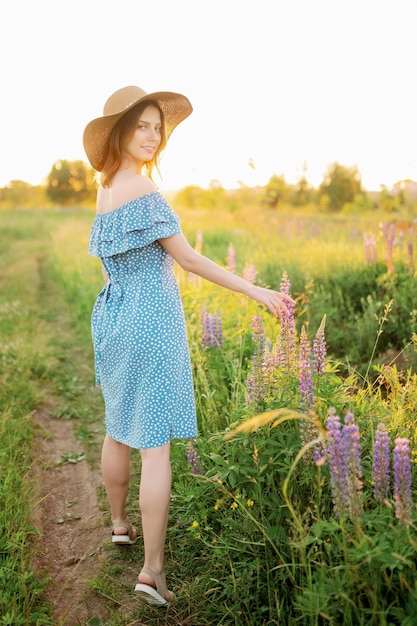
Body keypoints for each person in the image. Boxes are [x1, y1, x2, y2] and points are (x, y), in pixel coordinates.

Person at [83, 85, 294, 606]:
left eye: (158, 126)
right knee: (156, 447)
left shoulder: (105, 187)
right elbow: (192, 261)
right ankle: (151, 571)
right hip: (151, 322)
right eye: (142, 126)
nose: (153, 136)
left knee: (117, 425)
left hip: (113, 317)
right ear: (120, 132)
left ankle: (118, 525)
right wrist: (255, 289)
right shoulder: (146, 192)